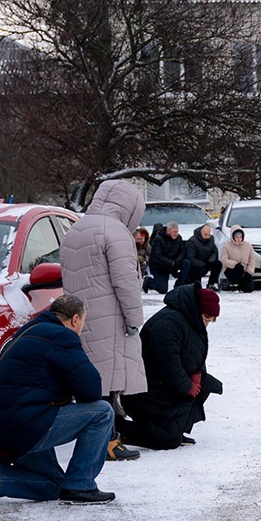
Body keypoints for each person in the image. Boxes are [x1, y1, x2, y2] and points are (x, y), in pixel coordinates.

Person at [0, 295, 116, 508]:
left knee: (55, 486)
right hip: (28, 424)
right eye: (83, 322)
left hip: (3, 430)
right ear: (75, 319)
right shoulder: (62, 336)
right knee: (102, 412)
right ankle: (81, 486)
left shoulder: (26, 333)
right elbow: (91, 390)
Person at [60, 179, 145, 462]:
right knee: (108, 384)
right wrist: (134, 321)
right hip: (111, 320)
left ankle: (99, 438)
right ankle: (108, 442)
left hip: (80, 319)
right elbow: (126, 284)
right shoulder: (116, 232)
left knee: (94, 381)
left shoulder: (76, 228)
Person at [119, 286, 224, 450]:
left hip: (164, 387)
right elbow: (168, 364)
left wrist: (197, 375)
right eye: (206, 318)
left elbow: (194, 357)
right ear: (196, 310)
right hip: (145, 392)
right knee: (167, 442)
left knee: (208, 384)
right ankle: (121, 430)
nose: (206, 324)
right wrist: (188, 386)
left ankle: (173, 430)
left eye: (210, 321)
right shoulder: (167, 324)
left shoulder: (191, 322)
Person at [144, 221, 189, 294]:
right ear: (168, 231)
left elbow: (182, 251)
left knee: (186, 263)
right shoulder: (158, 239)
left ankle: (179, 285)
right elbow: (157, 256)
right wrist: (170, 263)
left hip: (173, 263)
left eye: (177, 232)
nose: (176, 234)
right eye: (174, 232)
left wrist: (177, 261)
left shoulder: (179, 238)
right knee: (162, 289)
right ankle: (148, 281)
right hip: (159, 266)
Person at [184, 224, 222, 291]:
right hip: (196, 264)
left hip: (207, 261)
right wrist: (200, 263)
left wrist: (211, 259)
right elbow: (190, 257)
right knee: (198, 268)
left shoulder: (211, 239)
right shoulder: (192, 241)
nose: (207, 237)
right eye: (205, 234)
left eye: (209, 234)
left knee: (218, 264)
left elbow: (214, 251)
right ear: (201, 233)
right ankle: (196, 284)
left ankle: (212, 283)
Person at [220, 225, 256, 293]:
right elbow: (224, 260)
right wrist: (235, 264)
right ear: (233, 237)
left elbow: (252, 259)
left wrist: (249, 272)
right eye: (237, 237)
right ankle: (234, 284)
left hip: (244, 270)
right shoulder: (227, 246)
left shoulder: (248, 245)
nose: (239, 239)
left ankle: (241, 285)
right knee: (238, 268)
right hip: (231, 269)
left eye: (240, 237)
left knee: (249, 289)